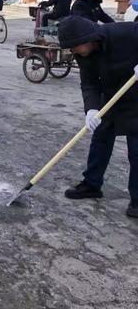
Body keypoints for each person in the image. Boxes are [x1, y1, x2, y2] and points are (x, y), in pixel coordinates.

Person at [58, 15, 138, 218]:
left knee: (136, 151)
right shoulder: (84, 54)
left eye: (74, 47)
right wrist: (92, 109)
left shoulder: (125, 32)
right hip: (111, 98)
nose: (73, 52)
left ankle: (137, 200)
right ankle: (92, 184)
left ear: (88, 37)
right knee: (100, 139)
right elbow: (89, 83)